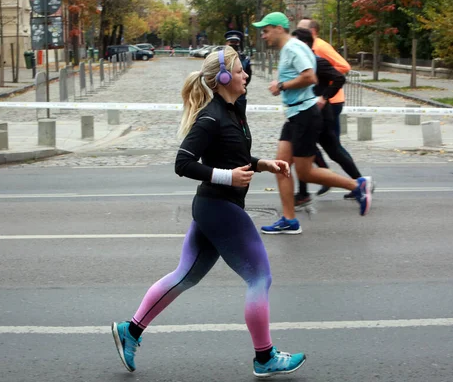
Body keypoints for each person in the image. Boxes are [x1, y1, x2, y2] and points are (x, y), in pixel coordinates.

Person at [111, 46, 307, 378]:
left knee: (185, 276)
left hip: (214, 209)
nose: (246, 75)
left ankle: (131, 330)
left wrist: (262, 164)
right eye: (241, 71)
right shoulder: (210, 117)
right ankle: (264, 357)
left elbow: (234, 155)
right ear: (225, 78)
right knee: (259, 277)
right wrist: (227, 177)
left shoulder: (233, 110)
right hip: (218, 207)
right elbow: (183, 164)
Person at [252, 12, 372, 235]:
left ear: (279, 28)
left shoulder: (293, 48)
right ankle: (289, 220)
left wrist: (282, 86)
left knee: (305, 173)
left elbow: (310, 77)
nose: (263, 35)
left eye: (266, 30)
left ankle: (357, 186)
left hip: (305, 114)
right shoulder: (292, 47)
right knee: (281, 167)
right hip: (296, 114)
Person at [290, 27, 364, 209]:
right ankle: (357, 183)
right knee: (311, 150)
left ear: (304, 44)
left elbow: (339, 77)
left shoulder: (317, 62)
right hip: (307, 113)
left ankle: (305, 193)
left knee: (325, 150)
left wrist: (324, 97)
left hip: (320, 115)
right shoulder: (302, 63)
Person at [224, 30, 252, 108]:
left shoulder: (245, 59)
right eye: (231, 42)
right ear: (227, 43)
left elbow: (248, 75)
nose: (233, 44)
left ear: (238, 43)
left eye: (235, 42)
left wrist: (241, 85)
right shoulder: (219, 58)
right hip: (224, 93)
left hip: (240, 94)